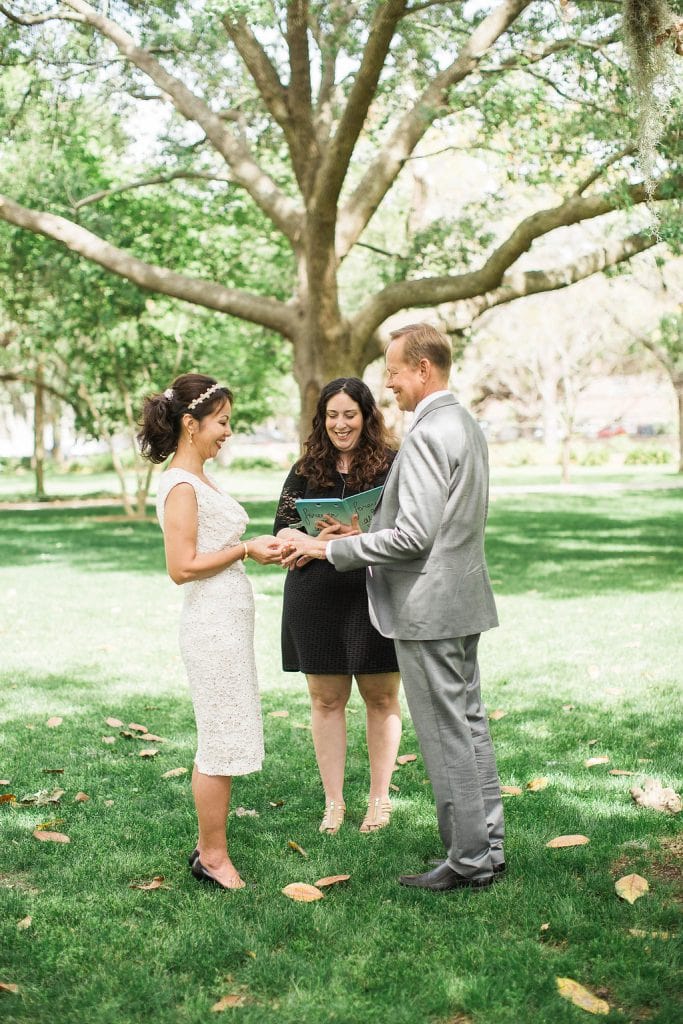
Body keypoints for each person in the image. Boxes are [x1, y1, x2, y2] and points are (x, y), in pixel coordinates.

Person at [281, 325, 505, 890]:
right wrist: (364, 531)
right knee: (471, 726)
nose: (390, 384)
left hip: (429, 607)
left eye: (396, 372)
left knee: (447, 733)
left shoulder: (429, 433)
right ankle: (489, 847)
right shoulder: (465, 424)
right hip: (462, 599)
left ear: (423, 369)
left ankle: (469, 860)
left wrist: (330, 546)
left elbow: (415, 537)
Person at [138, 373, 284, 891]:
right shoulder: (181, 484)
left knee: (226, 734)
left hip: (227, 624)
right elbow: (181, 566)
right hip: (210, 628)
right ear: (189, 423)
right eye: (221, 422)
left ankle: (210, 850)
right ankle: (213, 857)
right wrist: (246, 549)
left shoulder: (199, 478)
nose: (227, 432)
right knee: (218, 741)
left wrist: (264, 549)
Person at [273, 378, 402, 835]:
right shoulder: (306, 468)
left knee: (382, 698)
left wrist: (357, 539)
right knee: (326, 700)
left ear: (366, 416)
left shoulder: (392, 466)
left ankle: (380, 800)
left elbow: (407, 531)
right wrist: (312, 541)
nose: (340, 424)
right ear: (321, 419)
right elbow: (282, 532)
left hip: (374, 592)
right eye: (332, 415)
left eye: (349, 414)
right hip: (317, 596)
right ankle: (334, 803)